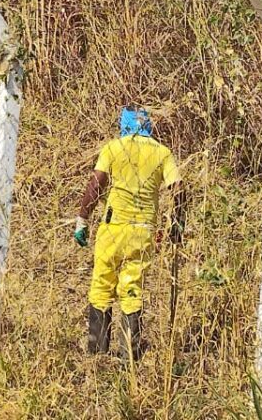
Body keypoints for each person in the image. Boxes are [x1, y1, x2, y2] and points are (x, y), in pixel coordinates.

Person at [72, 107, 187, 357]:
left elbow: (96, 184)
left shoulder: (113, 148)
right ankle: (129, 357)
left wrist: (83, 219)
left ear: (124, 126)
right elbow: (179, 189)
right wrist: (177, 224)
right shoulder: (162, 153)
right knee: (132, 288)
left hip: (112, 229)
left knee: (102, 285)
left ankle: (97, 354)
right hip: (143, 231)